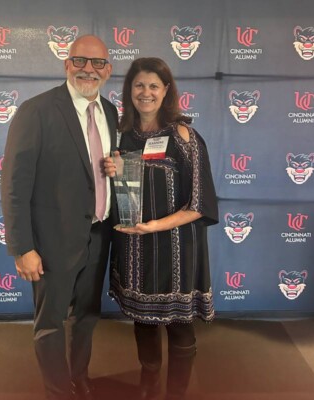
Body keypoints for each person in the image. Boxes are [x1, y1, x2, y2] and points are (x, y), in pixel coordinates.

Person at [1, 35, 118, 400]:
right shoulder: (36, 111)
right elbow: (14, 184)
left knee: (86, 317)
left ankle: (79, 377)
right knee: (50, 323)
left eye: (97, 63)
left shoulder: (111, 112)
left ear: (108, 70)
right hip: (51, 243)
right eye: (80, 61)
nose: (89, 69)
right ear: (67, 64)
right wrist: (23, 248)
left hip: (99, 235)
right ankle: (57, 390)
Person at [104, 57, 219, 400]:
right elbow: (108, 197)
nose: (146, 92)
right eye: (139, 85)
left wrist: (155, 226)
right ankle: (148, 385)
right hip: (135, 248)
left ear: (166, 91)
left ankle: (176, 393)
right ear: (129, 91)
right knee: (143, 322)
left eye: (154, 85)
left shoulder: (183, 135)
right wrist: (112, 171)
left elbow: (199, 203)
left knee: (180, 327)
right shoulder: (120, 136)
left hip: (176, 247)